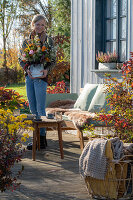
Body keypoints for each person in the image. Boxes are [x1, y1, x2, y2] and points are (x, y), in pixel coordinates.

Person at [19, 14, 56, 150]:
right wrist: (26, 68)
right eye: (37, 24)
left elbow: (53, 60)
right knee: (32, 108)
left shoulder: (48, 41)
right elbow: (21, 59)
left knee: (40, 109)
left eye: (42, 24)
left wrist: (47, 70)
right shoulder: (26, 42)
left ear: (45, 26)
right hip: (29, 77)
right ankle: (38, 139)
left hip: (41, 77)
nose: (39, 27)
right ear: (32, 25)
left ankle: (41, 140)